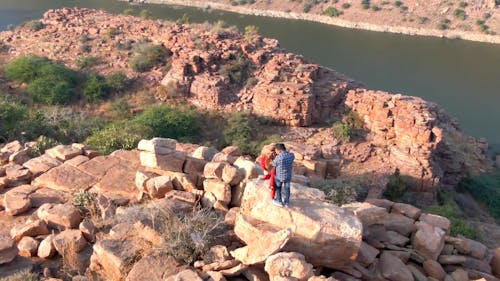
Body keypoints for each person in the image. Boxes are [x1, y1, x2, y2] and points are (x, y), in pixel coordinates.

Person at [271, 143, 295, 207]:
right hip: (288, 176)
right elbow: (292, 154)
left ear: (279, 150)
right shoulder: (291, 155)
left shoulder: (278, 157)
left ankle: (279, 201)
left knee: (278, 188)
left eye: (276, 151)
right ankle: (287, 202)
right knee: (287, 188)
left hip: (279, 176)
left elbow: (273, 164)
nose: (276, 152)